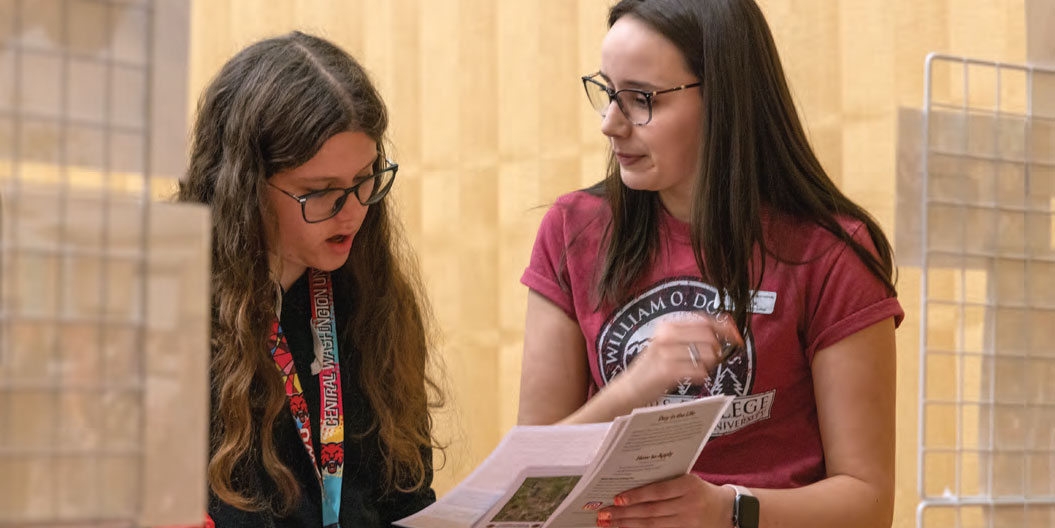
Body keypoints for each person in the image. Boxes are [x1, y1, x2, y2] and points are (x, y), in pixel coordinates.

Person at [517, 1, 903, 527]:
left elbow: (868, 502)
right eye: (609, 93)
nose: (610, 124)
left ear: (723, 98)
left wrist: (728, 508)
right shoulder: (572, 230)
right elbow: (526, 488)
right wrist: (636, 385)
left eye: (641, 100)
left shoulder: (830, 251)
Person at [178, 31, 442, 527]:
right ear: (246, 185)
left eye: (366, 178)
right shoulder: (164, 302)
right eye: (319, 192)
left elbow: (405, 495)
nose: (353, 211)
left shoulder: (374, 298)